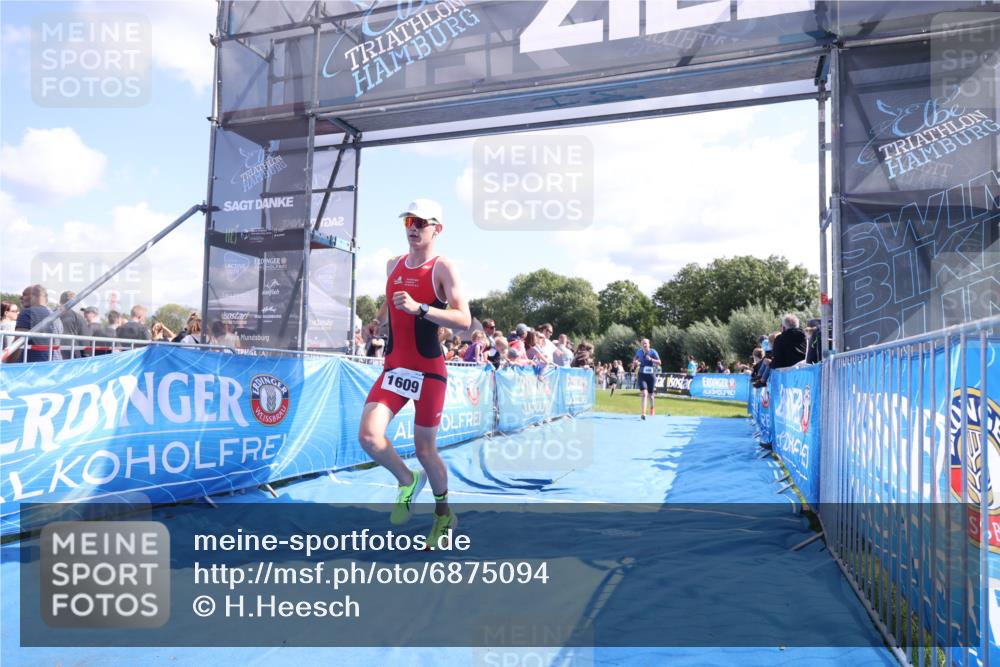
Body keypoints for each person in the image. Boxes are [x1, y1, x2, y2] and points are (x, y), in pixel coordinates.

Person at [357, 198, 470, 549]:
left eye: (422, 222)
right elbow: (392, 299)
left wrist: (422, 309)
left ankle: (443, 515)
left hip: (429, 372)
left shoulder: (443, 268)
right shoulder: (393, 263)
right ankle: (407, 481)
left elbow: (464, 320)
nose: (414, 228)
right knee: (369, 438)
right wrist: (379, 319)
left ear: (438, 228)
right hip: (395, 368)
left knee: (425, 450)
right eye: (409, 221)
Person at [8, 284, 63, 363]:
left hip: (33, 367)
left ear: (36, 296)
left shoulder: (27, 313)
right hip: (56, 364)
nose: (20, 298)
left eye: (24, 295)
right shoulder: (56, 316)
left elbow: (17, 345)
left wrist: (7, 363)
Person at [632, 338, 662, 420]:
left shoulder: (653, 352)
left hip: (651, 376)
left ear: (649, 344)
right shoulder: (639, 352)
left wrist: (651, 359)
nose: (644, 345)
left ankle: (652, 408)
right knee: (644, 394)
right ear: (641, 345)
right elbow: (635, 359)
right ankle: (643, 413)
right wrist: (635, 362)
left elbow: (660, 362)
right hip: (642, 375)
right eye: (643, 343)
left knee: (651, 395)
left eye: (646, 343)